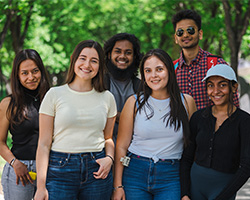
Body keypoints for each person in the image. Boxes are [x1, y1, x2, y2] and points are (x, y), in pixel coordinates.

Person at [34, 40, 117, 200]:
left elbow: (108, 138)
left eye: (94, 61)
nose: (87, 65)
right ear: (73, 59)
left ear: (100, 66)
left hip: (97, 169)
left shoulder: (107, 98)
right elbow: (44, 144)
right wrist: (40, 187)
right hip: (60, 169)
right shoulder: (54, 94)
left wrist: (109, 158)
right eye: (83, 58)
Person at [113, 49, 197, 200]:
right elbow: (121, 146)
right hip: (135, 173)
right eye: (148, 71)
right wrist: (118, 185)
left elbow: (192, 147)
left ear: (170, 71)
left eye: (159, 69)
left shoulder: (187, 102)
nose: (154, 75)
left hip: (171, 175)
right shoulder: (134, 102)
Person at [180, 64, 250, 200]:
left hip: (224, 190)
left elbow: (246, 166)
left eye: (222, 85)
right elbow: (187, 158)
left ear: (234, 87)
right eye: (210, 85)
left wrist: (223, 197)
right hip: (194, 188)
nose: (216, 91)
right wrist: (185, 194)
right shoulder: (198, 118)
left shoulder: (245, 121)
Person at [0, 49, 50, 200]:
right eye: (25, 73)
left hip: (51, 168)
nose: (31, 77)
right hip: (20, 171)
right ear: (17, 76)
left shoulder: (52, 99)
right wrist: (15, 163)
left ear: (41, 71)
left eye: (35, 71)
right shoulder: (9, 104)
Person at [172, 9, 239, 110]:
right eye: (180, 32)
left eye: (190, 30)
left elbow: (233, 105)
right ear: (176, 38)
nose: (185, 35)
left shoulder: (217, 64)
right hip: (182, 126)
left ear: (200, 34)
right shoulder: (171, 69)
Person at [104, 33, 142, 142]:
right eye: (117, 51)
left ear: (135, 57)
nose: (122, 56)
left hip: (133, 150)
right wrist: (125, 116)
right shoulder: (99, 82)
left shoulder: (141, 86)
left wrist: (113, 115)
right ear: (109, 54)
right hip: (102, 149)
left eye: (128, 53)